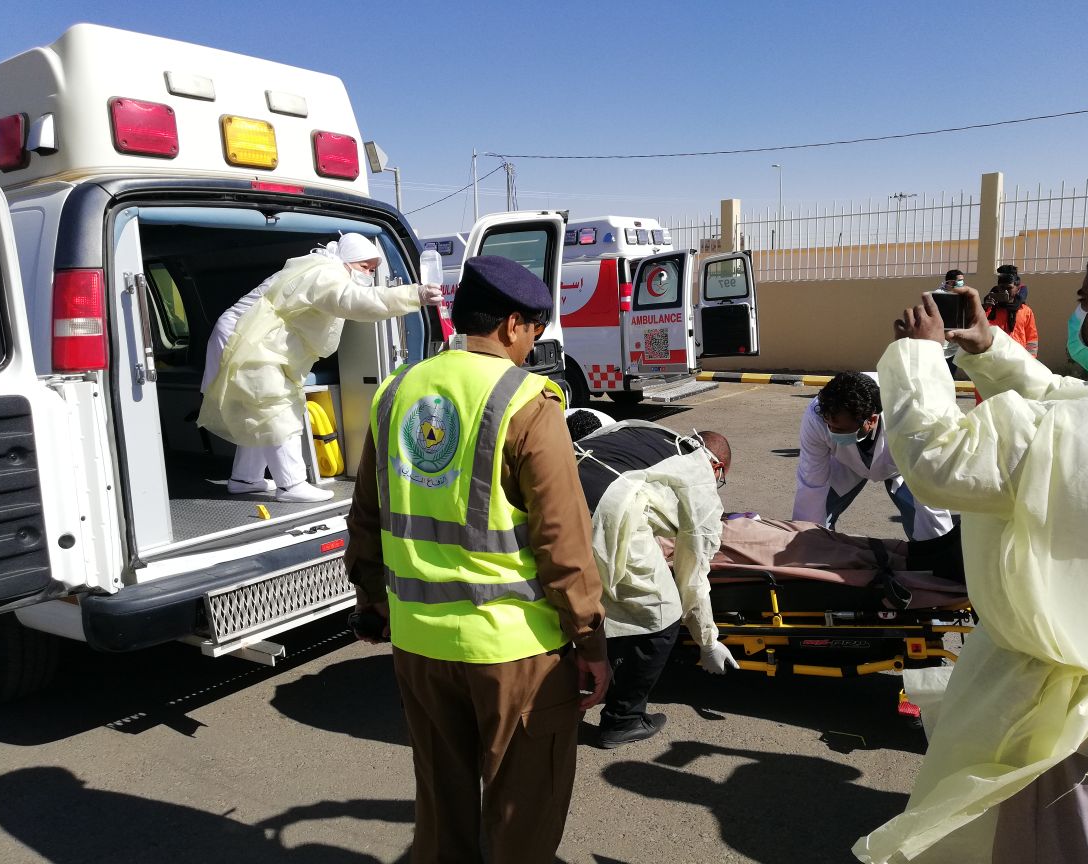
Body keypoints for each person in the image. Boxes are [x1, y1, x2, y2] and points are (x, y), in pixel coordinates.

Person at [855, 233, 1088, 864]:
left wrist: (917, 357)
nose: (1077, 313)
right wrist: (989, 350)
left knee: (1063, 847)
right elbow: (1070, 406)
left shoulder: (1086, 433)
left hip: (1078, 712)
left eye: (1086, 299)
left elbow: (938, 460)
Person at [345, 255, 610, 864]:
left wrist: (372, 605)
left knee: (441, 810)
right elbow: (563, 542)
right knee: (523, 816)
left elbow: (366, 519)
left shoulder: (395, 392)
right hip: (514, 652)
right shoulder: (528, 401)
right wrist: (591, 643)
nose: (534, 343)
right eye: (535, 330)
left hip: (417, 645)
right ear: (514, 325)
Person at [199, 233, 443, 503]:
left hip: (254, 338)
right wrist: (414, 294)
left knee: (259, 410)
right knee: (276, 408)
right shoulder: (325, 274)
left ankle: (245, 479)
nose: (370, 274)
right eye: (366, 267)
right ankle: (291, 485)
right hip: (245, 338)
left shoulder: (320, 268)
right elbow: (353, 301)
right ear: (348, 260)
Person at [568, 412, 738, 748]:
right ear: (716, 467)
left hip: (552, 494)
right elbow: (693, 573)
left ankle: (564, 702)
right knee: (661, 613)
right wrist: (707, 642)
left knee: (569, 604)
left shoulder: (642, 429)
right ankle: (623, 720)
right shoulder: (701, 476)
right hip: (603, 517)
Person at [791, 372, 954, 541]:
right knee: (813, 526)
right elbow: (811, 481)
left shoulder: (911, 416)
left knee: (928, 531)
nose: (832, 432)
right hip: (845, 464)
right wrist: (806, 543)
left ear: (872, 420)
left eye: (840, 430)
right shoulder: (816, 415)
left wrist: (941, 546)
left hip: (904, 466)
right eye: (829, 425)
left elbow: (929, 488)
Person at [983, 272, 1039, 357]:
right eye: (1002, 288)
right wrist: (984, 309)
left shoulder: (1025, 311)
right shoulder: (990, 309)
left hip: (1019, 358)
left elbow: (1032, 338)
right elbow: (977, 329)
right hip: (994, 358)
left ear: (1018, 289)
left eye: (1009, 288)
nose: (1005, 291)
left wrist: (1030, 359)